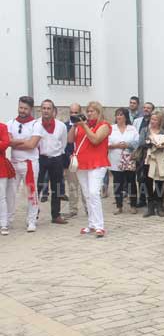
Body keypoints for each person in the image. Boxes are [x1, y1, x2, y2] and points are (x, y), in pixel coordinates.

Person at [72, 101, 112, 237]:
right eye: (88, 111)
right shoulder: (82, 125)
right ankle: (91, 224)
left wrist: (84, 126)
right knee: (87, 194)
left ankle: (100, 225)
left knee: (94, 192)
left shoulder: (104, 125)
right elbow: (70, 140)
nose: (89, 113)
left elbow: (95, 140)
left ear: (98, 112)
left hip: (97, 163)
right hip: (82, 163)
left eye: (92, 111)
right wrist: (75, 126)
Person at [7, 96, 42, 232]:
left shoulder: (36, 124)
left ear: (30, 109)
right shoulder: (10, 123)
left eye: (25, 108)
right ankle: (7, 220)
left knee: (31, 192)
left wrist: (15, 143)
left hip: (30, 164)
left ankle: (31, 220)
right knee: (10, 192)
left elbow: (32, 145)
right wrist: (24, 142)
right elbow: (8, 142)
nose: (22, 110)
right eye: (20, 107)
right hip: (14, 163)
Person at [37, 99, 68, 224]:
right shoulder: (36, 124)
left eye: (48, 108)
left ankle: (56, 215)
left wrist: (57, 155)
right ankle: (33, 213)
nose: (46, 111)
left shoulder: (61, 126)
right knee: (37, 186)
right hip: (40, 159)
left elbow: (63, 143)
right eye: (44, 108)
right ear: (41, 109)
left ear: (53, 110)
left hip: (56, 159)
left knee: (57, 187)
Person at [108, 108, 140, 215]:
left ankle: (133, 205)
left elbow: (137, 142)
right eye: (117, 115)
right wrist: (115, 145)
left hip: (129, 159)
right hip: (116, 159)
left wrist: (128, 145)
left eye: (121, 115)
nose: (119, 117)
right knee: (117, 183)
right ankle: (119, 206)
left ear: (126, 117)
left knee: (131, 183)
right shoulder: (111, 128)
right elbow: (106, 143)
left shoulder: (132, 128)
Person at [141, 111, 164, 217]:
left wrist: (162, 145)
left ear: (160, 121)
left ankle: (159, 205)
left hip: (160, 158)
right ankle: (150, 206)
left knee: (159, 183)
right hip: (148, 159)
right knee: (148, 182)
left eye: (155, 119)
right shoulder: (145, 130)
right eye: (152, 119)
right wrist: (150, 142)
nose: (152, 121)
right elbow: (141, 143)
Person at [63, 103, 86, 218]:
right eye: (71, 112)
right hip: (71, 160)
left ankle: (88, 209)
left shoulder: (86, 125)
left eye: (76, 112)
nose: (73, 115)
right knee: (72, 186)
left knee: (85, 186)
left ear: (80, 112)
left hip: (84, 160)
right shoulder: (65, 126)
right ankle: (73, 209)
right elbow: (66, 142)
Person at [0, 122, 15, 235]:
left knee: (1, 197)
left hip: (0, 166)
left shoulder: (2, 127)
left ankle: (3, 223)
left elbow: (5, 144)